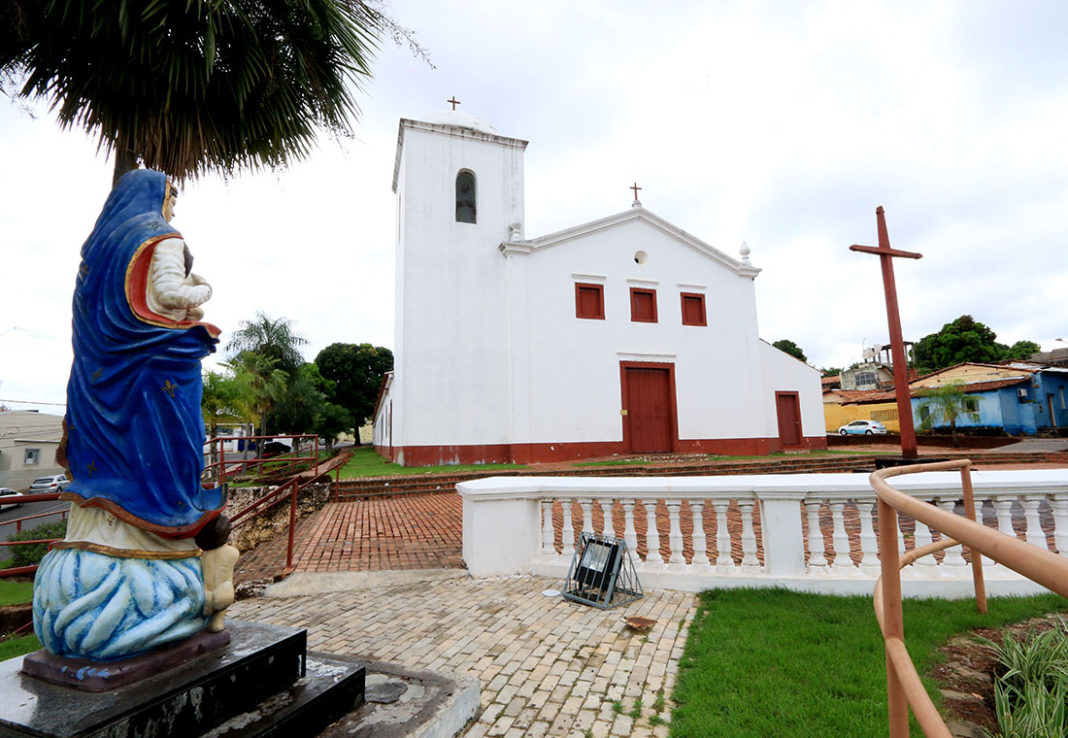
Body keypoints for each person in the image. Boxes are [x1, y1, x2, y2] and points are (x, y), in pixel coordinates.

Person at [34, 169, 236, 661]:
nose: (172, 208)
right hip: (155, 373)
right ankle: (159, 554)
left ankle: (101, 564)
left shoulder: (97, 252)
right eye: (171, 197)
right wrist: (202, 290)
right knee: (171, 452)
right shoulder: (160, 236)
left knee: (111, 458)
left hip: (99, 379)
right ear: (157, 196)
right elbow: (169, 295)